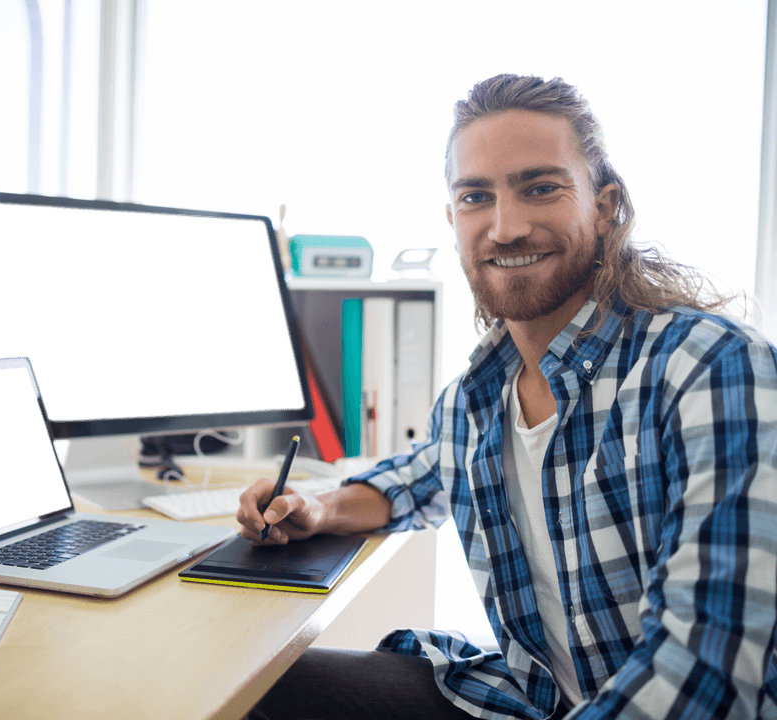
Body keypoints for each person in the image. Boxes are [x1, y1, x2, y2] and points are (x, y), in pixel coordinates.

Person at [239, 74, 777, 720]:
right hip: (533, 701)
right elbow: (411, 480)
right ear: (452, 218)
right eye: (475, 197)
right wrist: (316, 509)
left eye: (541, 188)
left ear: (603, 207)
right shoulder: (474, 400)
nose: (506, 227)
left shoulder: (707, 366)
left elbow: (703, 670)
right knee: (260, 690)